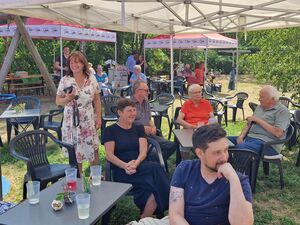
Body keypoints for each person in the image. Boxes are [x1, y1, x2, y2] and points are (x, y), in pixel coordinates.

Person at [127, 124, 253, 225]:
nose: (224, 157)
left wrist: (233, 178)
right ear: (199, 153)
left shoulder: (239, 180)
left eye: (226, 150)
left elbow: (243, 223)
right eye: (217, 152)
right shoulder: (185, 168)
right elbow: (175, 214)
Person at [102, 98, 170, 218]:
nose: (133, 113)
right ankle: (167, 206)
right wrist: (126, 166)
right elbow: (109, 155)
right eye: (129, 111)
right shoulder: (110, 130)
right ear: (120, 112)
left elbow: (143, 151)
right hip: (121, 169)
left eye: (134, 110)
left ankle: (144, 217)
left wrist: (136, 163)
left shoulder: (138, 128)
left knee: (154, 172)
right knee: (154, 178)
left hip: (140, 165)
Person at [56, 51, 102, 176]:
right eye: (71, 62)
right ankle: (79, 179)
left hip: (88, 119)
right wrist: (68, 99)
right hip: (71, 122)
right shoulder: (65, 80)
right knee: (76, 151)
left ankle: (96, 177)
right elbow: (58, 101)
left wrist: (99, 118)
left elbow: (97, 99)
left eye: (76, 62)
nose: (73, 65)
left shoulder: (91, 78)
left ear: (83, 64)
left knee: (93, 149)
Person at [228, 85, 290, 156]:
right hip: (249, 138)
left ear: (272, 99)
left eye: (262, 97)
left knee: (242, 149)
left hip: (268, 144)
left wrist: (258, 120)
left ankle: (238, 167)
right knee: (222, 142)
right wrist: (241, 136)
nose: (259, 99)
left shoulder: (282, 111)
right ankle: (225, 165)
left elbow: (278, 133)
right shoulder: (259, 107)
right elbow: (249, 124)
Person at [131, 81, 179, 167]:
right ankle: (153, 165)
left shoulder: (146, 102)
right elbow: (124, 123)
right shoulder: (128, 104)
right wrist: (142, 128)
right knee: (156, 147)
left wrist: (153, 126)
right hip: (135, 135)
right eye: (146, 90)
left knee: (171, 145)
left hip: (149, 134)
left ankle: (153, 164)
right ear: (138, 91)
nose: (149, 92)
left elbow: (149, 118)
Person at [176, 84, 214, 159]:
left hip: (204, 130)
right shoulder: (187, 104)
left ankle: (206, 161)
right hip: (190, 130)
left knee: (210, 143)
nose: (199, 94)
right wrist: (190, 126)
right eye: (195, 92)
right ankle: (185, 162)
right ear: (190, 94)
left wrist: (208, 125)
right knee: (185, 145)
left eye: (200, 92)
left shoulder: (206, 103)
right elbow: (179, 119)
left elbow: (212, 118)